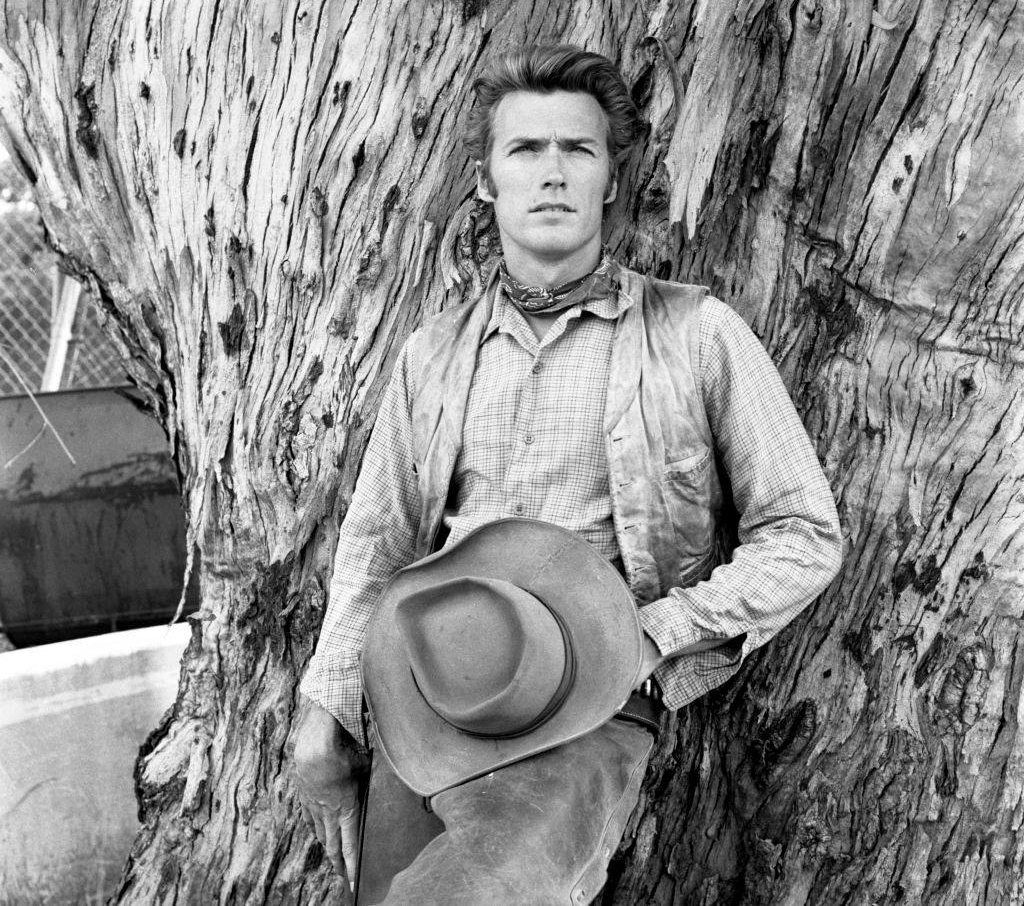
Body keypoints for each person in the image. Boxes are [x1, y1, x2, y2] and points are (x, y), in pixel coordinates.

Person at [291, 45, 843, 903]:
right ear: (486, 182)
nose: (552, 173)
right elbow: (377, 541)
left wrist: (655, 633)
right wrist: (325, 712)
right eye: (526, 150)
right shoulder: (430, 356)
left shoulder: (696, 334)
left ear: (611, 181)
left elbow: (805, 533)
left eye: (577, 151)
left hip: (587, 710)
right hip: (428, 693)